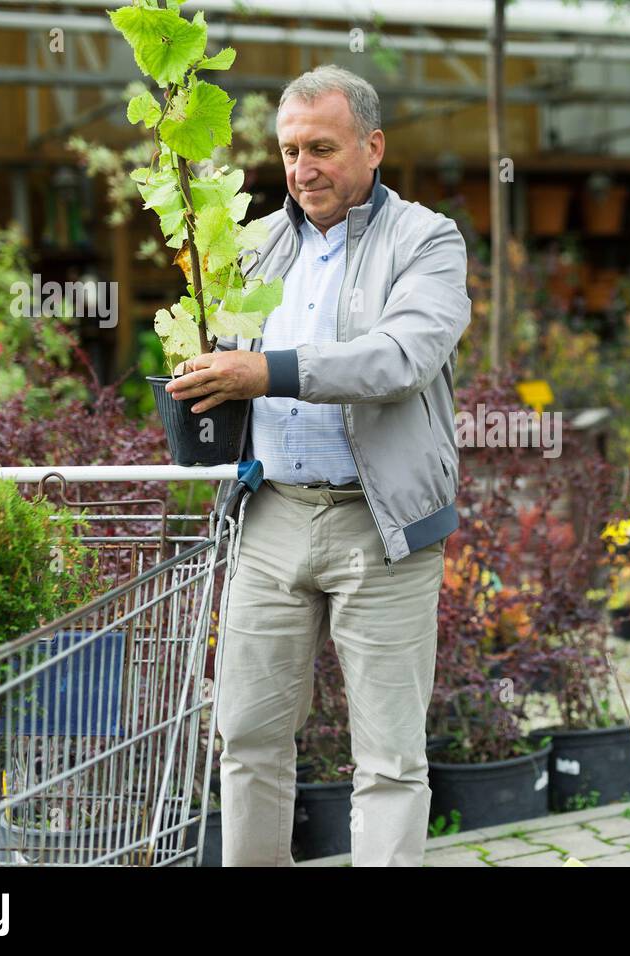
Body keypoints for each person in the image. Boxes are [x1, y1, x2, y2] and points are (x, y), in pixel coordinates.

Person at [165, 63, 470, 866]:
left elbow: (398, 358)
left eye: (323, 148)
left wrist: (266, 371)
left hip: (382, 529)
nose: (303, 169)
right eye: (292, 151)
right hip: (268, 520)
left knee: (389, 758)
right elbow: (217, 361)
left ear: (373, 147)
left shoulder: (427, 241)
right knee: (249, 737)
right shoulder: (253, 246)